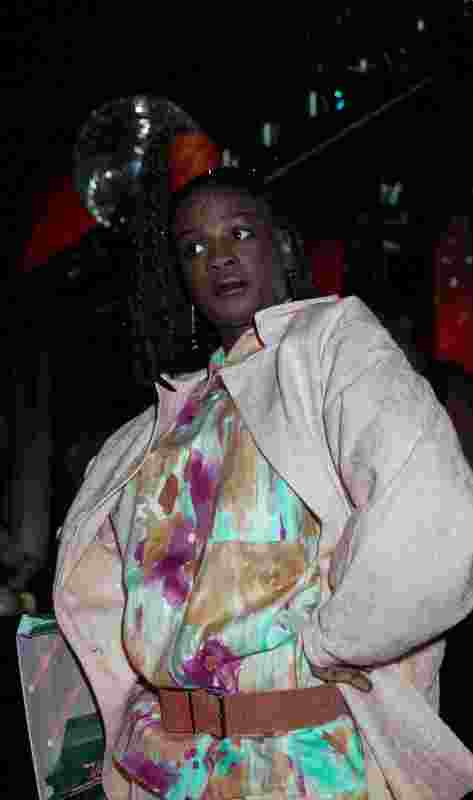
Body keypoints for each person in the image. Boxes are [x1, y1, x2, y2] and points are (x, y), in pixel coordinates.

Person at [54, 167, 473, 800]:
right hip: (164, 769)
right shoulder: (162, 422)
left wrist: (334, 644)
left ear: (281, 244)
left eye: (240, 233)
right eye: (194, 246)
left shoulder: (332, 347)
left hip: (300, 764)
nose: (219, 257)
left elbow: (434, 512)